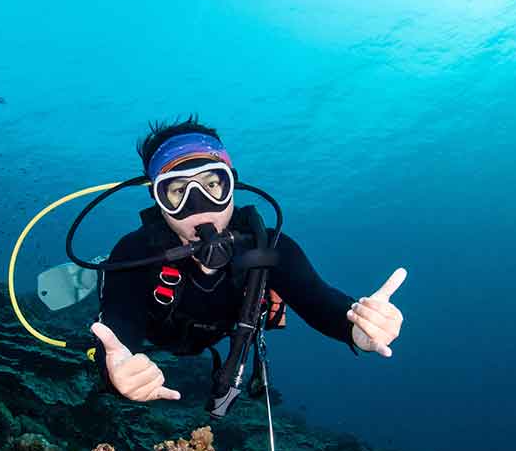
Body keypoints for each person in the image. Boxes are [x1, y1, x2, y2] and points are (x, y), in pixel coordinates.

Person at [90, 116, 406, 403]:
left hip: (206, 334)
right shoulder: (136, 254)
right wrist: (115, 368)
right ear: (159, 202)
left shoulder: (268, 249)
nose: (199, 206)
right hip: (156, 329)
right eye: (177, 191)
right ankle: (95, 274)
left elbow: (321, 302)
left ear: (232, 186)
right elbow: (118, 332)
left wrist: (358, 328)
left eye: (212, 185)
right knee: (108, 285)